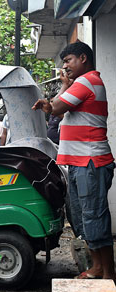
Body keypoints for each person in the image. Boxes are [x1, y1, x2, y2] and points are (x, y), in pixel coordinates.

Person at [32, 41, 115, 280]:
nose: (65, 66)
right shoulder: (80, 84)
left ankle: (108, 273)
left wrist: (52, 100)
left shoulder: (87, 81)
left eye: (68, 61)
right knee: (85, 217)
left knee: (94, 216)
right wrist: (64, 87)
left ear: (83, 58)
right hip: (82, 162)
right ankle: (98, 268)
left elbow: (55, 107)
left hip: (90, 161)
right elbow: (59, 110)